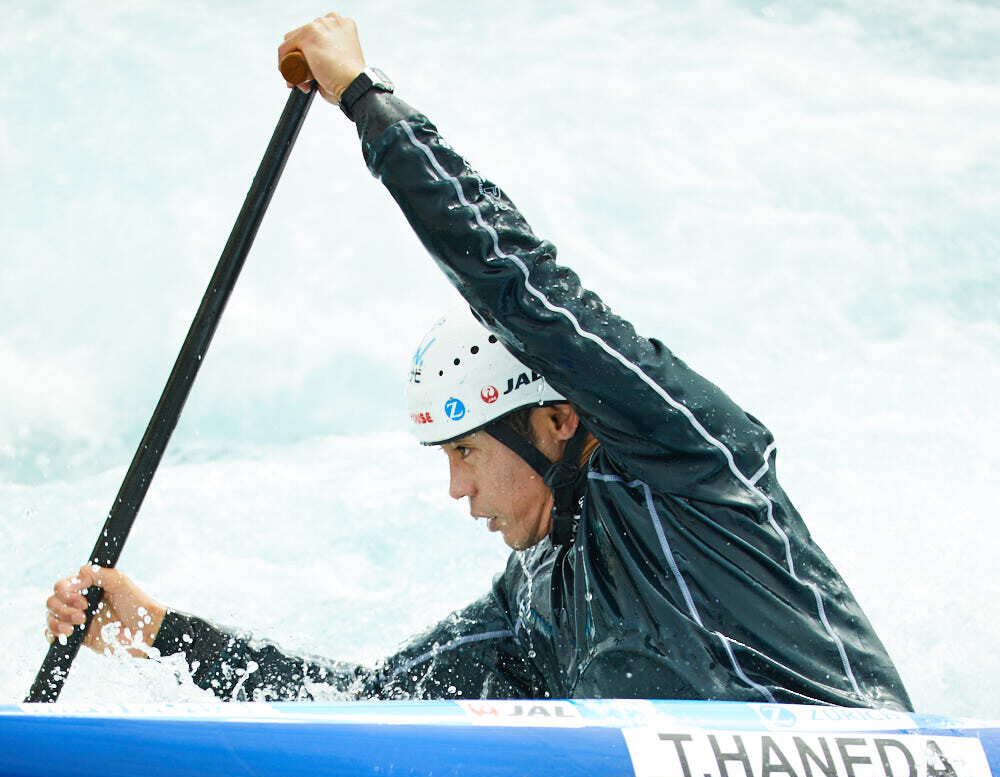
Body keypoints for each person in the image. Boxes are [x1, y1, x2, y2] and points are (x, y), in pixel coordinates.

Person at [46, 12, 912, 710]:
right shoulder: (531, 607)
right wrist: (160, 632)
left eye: (466, 452)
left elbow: (521, 281)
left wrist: (362, 100)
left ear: (558, 419)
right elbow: (360, 710)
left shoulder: (689, 463)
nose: (457, 492)